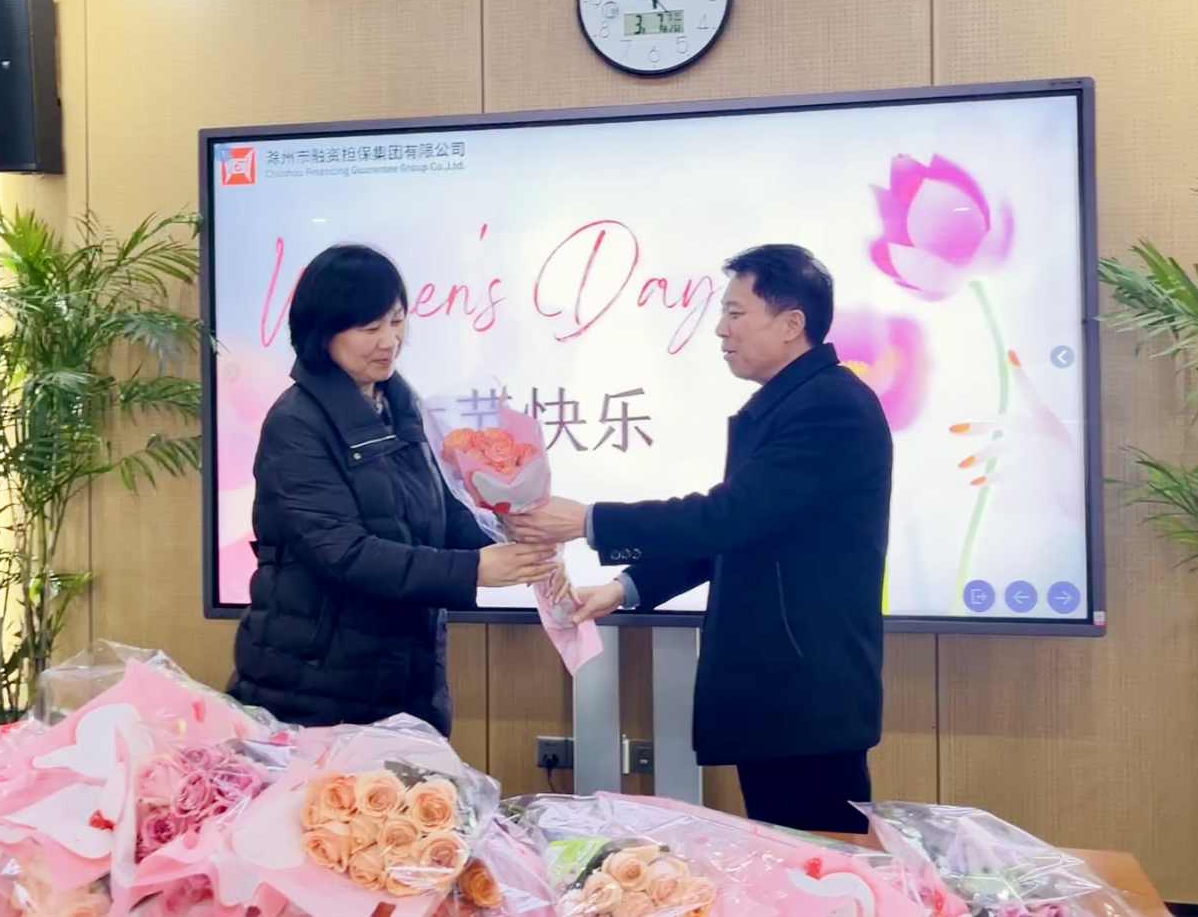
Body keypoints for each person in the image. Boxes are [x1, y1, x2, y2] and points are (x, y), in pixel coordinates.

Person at [507, 244, 892, 834]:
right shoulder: (795, 401)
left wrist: (589, 521)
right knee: (787, 854)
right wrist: (624, 589)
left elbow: (728, 517)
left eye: (736, 313)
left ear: (792, 324)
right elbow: (738, 532)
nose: (720, 330)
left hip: (805, 691)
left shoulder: (831, 407)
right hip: (782, 689)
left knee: (818, 862)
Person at [229, 244, 558, 734]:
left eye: (397, 321)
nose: (390, 341)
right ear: (323, 332)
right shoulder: (295, 423)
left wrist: (512, 540)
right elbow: (344, 553)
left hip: (405, 675)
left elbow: (442, 511)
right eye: (370, 328)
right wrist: (473, 569)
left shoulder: (402, 405)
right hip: (314, 686)